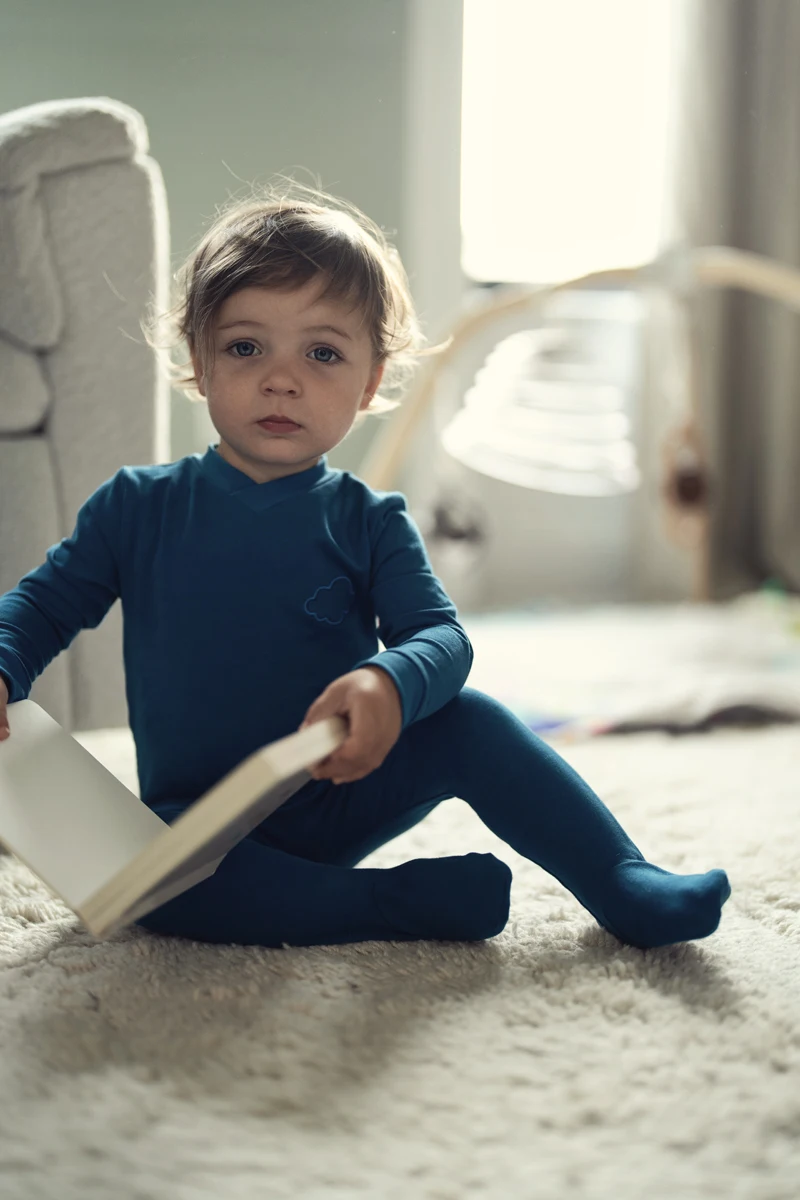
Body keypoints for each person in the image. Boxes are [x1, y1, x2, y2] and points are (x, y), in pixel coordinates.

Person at [0, 181, 731, 951]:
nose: (281, 378)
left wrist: (389, 680)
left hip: (337, 789)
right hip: (197, 823)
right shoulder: (135, 507)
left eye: (323, 352)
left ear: (371, 380)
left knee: (471, 720)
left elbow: (442, 640)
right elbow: (40, 607)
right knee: (150, 882)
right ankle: (389, 902)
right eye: (246, 347)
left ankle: (620, 878)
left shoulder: (368, 519)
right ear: (200, 362)